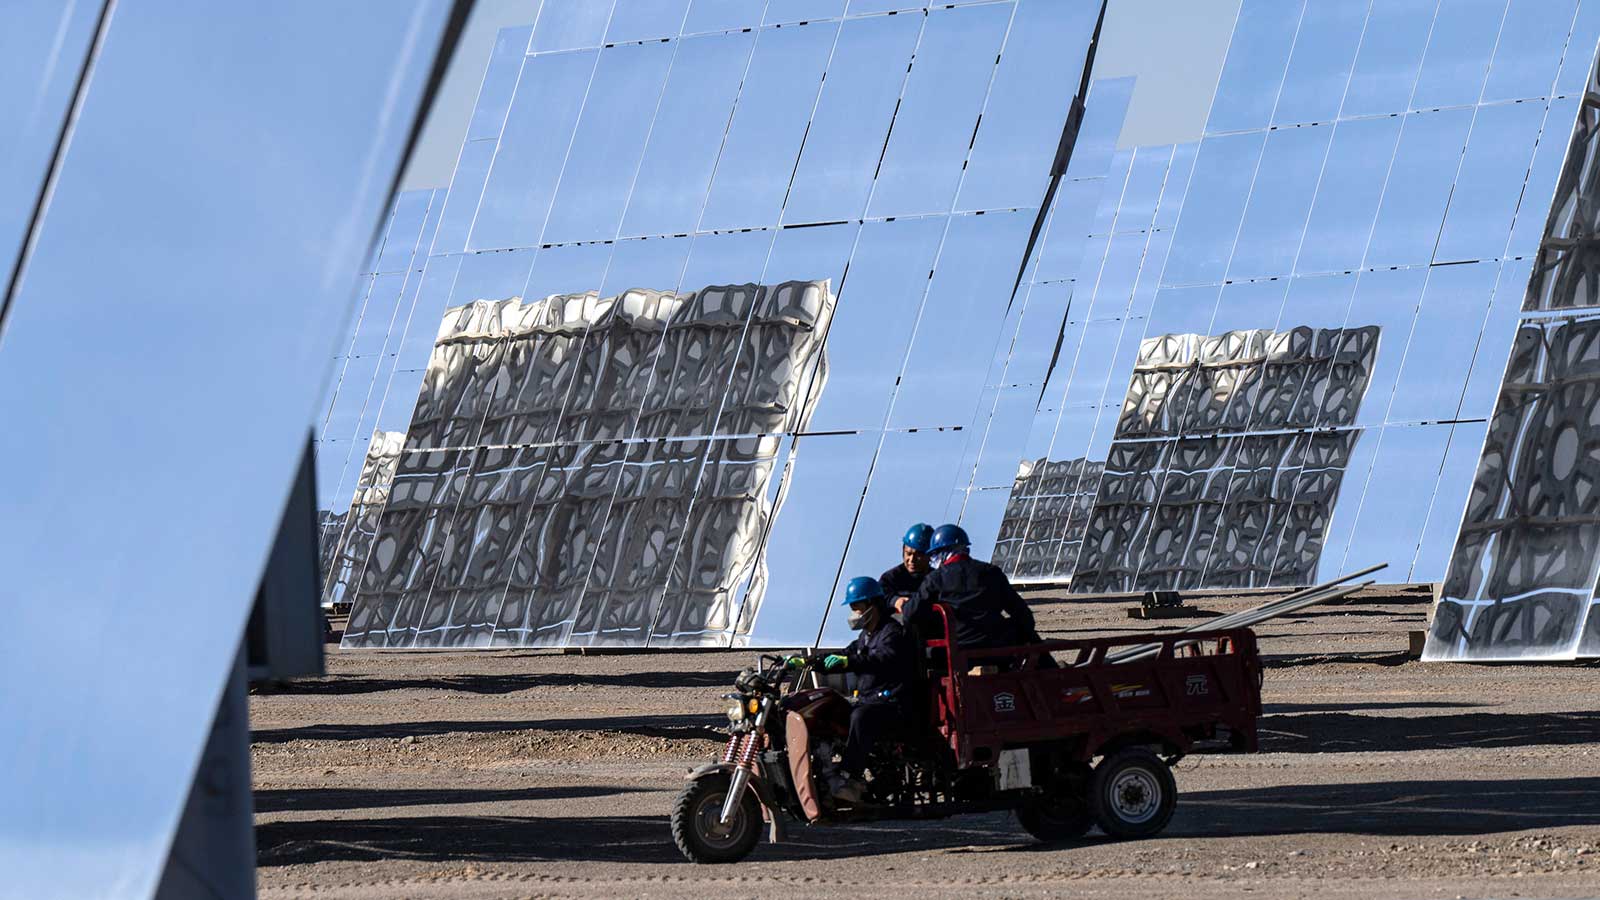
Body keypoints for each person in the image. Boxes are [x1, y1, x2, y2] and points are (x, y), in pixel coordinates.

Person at [789, 576, 916, 804]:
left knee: (861, 716)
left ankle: (849, 777)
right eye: (852, 607)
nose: (854, 612)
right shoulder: (865, 635)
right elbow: (848, 654)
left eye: (857, 606)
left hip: (893, 703)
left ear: (872, 605)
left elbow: (881, 659)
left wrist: (849, 662)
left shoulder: (891, 632)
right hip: (871, 700)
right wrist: (810, 663)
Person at [899, 523, 1043, 655]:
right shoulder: (991, 572)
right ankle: (1057, 675)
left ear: (941, 553)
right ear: (965, 548)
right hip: (999, 649)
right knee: (1029, 636)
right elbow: (1025, 617)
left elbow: (910, 614)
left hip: (957, 651)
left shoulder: (936, 579)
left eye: (934, 555)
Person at [879, 522, 933, 605]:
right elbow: (879, 598)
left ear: (930, 555)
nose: (912, 560)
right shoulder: (890, 579)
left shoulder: (937, 580)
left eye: (918, 555)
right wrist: (895, 601)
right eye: (908, 553)